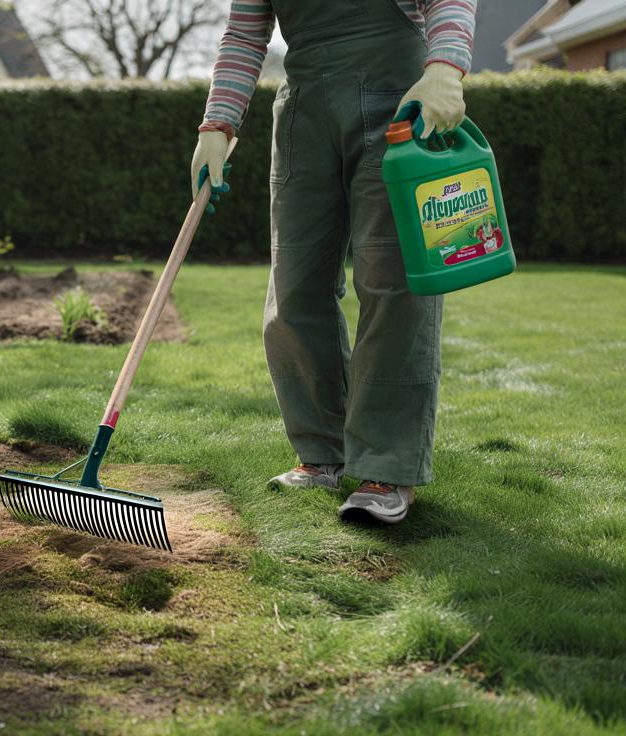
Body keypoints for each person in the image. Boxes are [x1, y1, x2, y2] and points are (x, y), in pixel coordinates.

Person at [191, 0, 477, 525]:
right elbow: (245, 33)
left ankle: (386, 467)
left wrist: (444, 69)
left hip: (402, 104)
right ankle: (322, 453)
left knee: (393, 284)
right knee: (295, 287)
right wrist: (218, 123)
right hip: (305, 113)